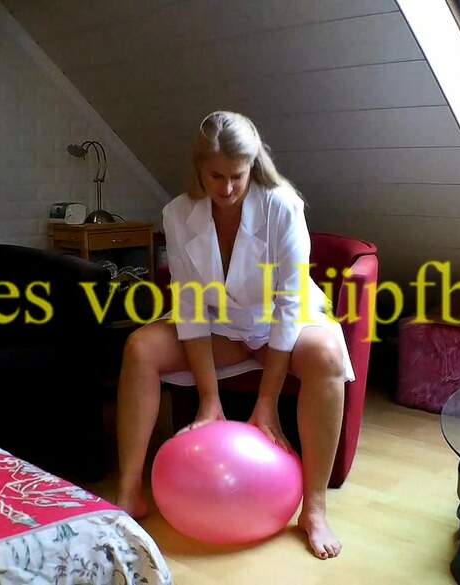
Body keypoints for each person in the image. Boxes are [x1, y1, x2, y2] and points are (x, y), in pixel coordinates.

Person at [115, 111, 355, 560]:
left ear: (253, 167)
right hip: (221, 324)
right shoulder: (177, 213)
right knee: (140, 347)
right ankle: (129, 491)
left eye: (237, 177)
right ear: (199, 169)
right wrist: (209, 400)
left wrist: (268, 401)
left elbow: (288, 307)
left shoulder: (282, 205)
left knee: (327, 354)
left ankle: (314, 509)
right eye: (216, 177)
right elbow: (189, 306)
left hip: (283, 321)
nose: (226, 188)